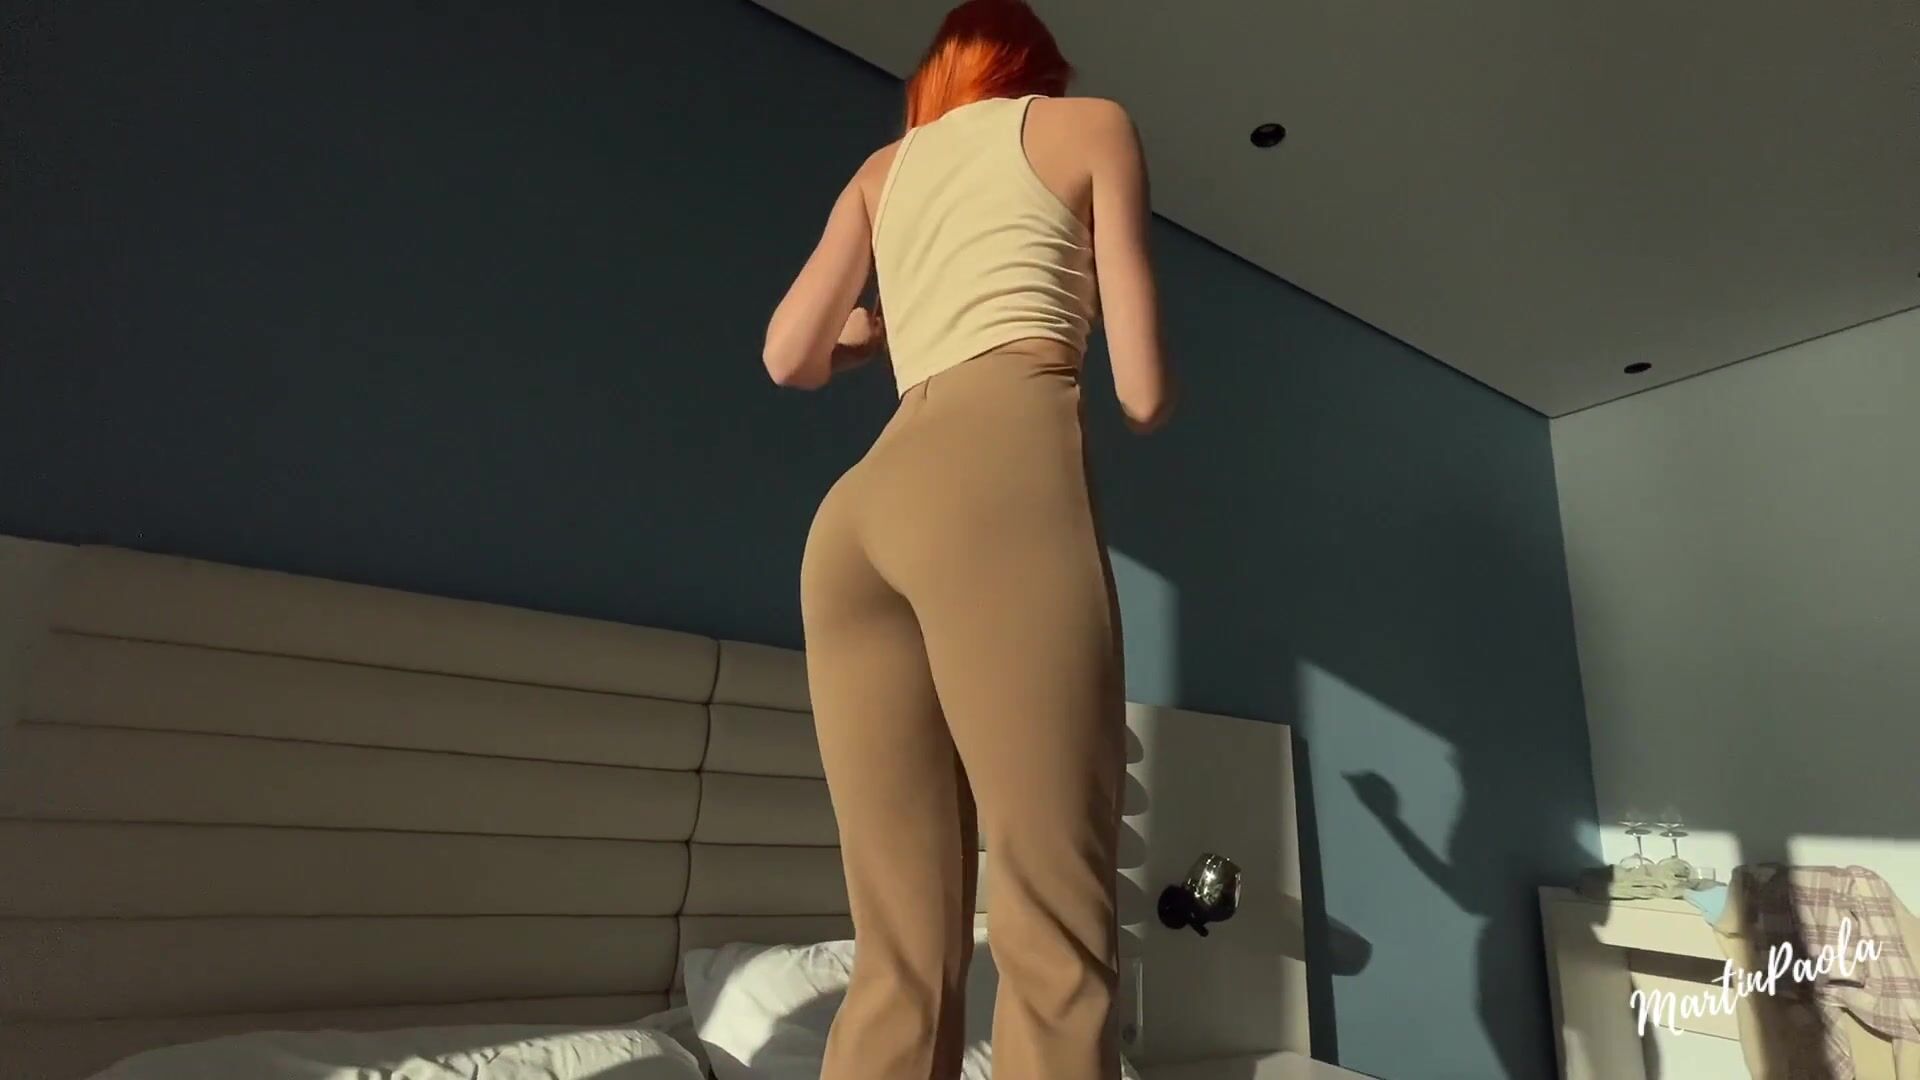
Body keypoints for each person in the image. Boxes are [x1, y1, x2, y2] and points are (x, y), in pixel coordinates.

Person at [760, 2, 1172, 1077]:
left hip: (858, 518)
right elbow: (1141, 392)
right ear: (1038, 66)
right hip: (997, 482)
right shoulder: (1091, 126)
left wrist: (872, 340)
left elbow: (789, 357)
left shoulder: (881, 172)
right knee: (1056, 924)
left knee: (897, 951)